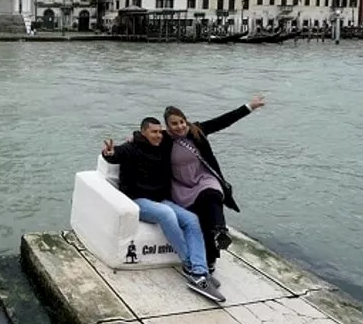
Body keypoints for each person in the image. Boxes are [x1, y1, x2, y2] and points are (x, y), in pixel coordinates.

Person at [102, 118, 226, 303]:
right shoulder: (131, 148)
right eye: (154, 132)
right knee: (166, 214)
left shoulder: (163, 147)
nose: (159, 135)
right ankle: (191, 266)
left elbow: (184, 132)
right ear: (143, 132)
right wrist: (109, 153)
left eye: (160, 132)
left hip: (161, 200)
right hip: (138, 201)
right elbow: (115, 154)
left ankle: (200, 271)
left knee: (192, 219)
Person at [162, 95, 266, 276]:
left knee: (213, 195)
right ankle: (208, 257)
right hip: (181, 185)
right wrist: (120, 148)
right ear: (167, 126)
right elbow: (141, 140)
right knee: (201, 219)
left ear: (186, 120)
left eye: (182, 121)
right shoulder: (162, 139)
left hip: (203, 178)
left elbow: (224, 121)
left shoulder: (197, 130)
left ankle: (220, 231)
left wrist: (249, 107)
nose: (180, 126)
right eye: (174, 124)